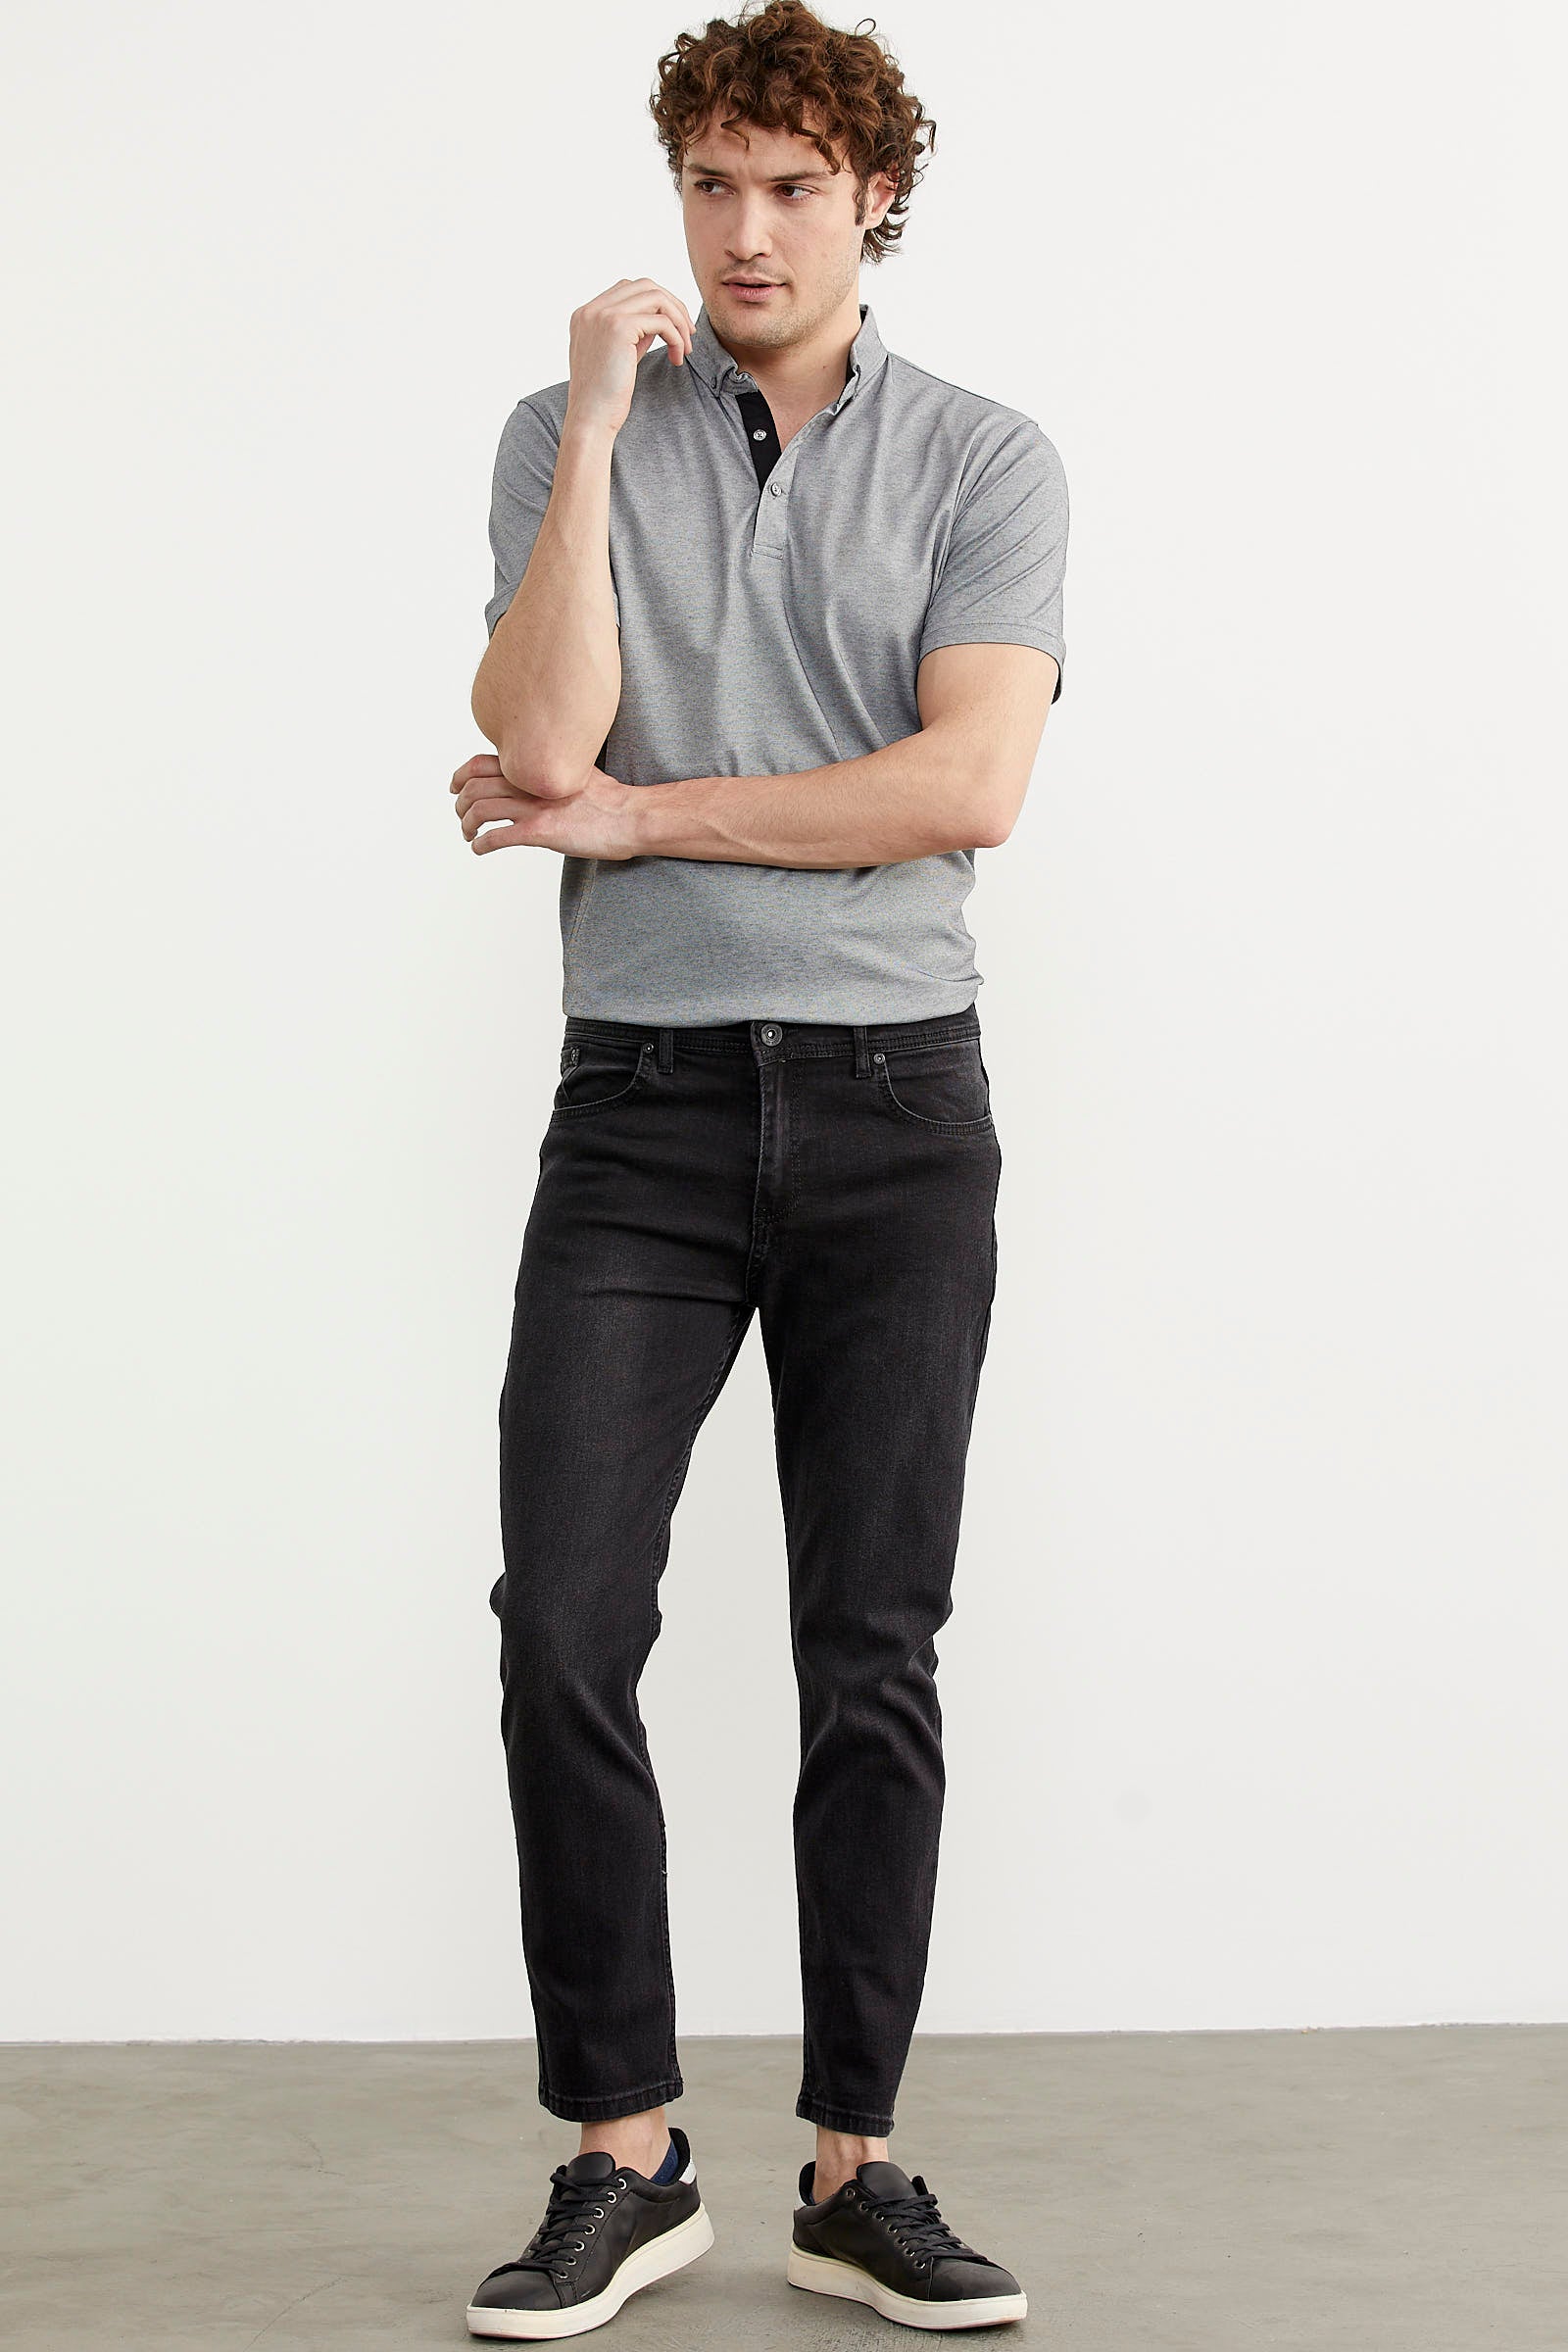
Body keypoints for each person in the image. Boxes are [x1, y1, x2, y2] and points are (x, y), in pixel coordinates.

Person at [451, 0, 1067, 2333]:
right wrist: (601, 431)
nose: (743, 229)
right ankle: (623, 2154)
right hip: (641, 1104)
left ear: (872, 200)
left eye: (791, 185)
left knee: (867, 1645)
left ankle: (852, 2168)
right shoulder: (564, 434)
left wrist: (646, 819)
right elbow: (540, 740)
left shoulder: (983, 459)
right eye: (709, 182)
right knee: (560, 1621)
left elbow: (961, 786)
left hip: (901, 1109)